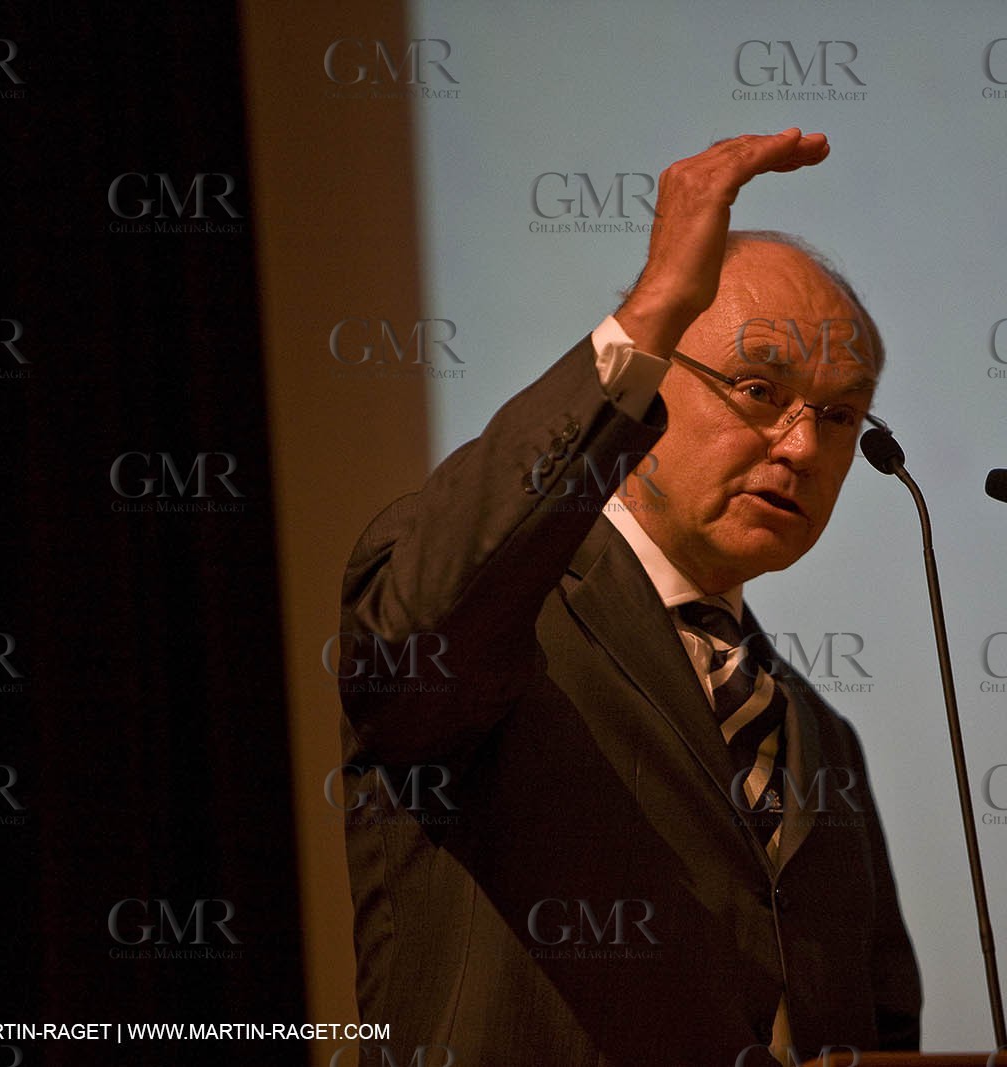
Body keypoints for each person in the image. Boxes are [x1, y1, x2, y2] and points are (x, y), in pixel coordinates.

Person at [339, 128, 921, 1067]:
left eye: (840, 415)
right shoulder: (504, 616)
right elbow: (414, 633)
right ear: (656, 382)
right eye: (759, 388)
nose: (803, 447)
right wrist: (654, 310)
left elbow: (879, 1027)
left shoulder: (817, 732)